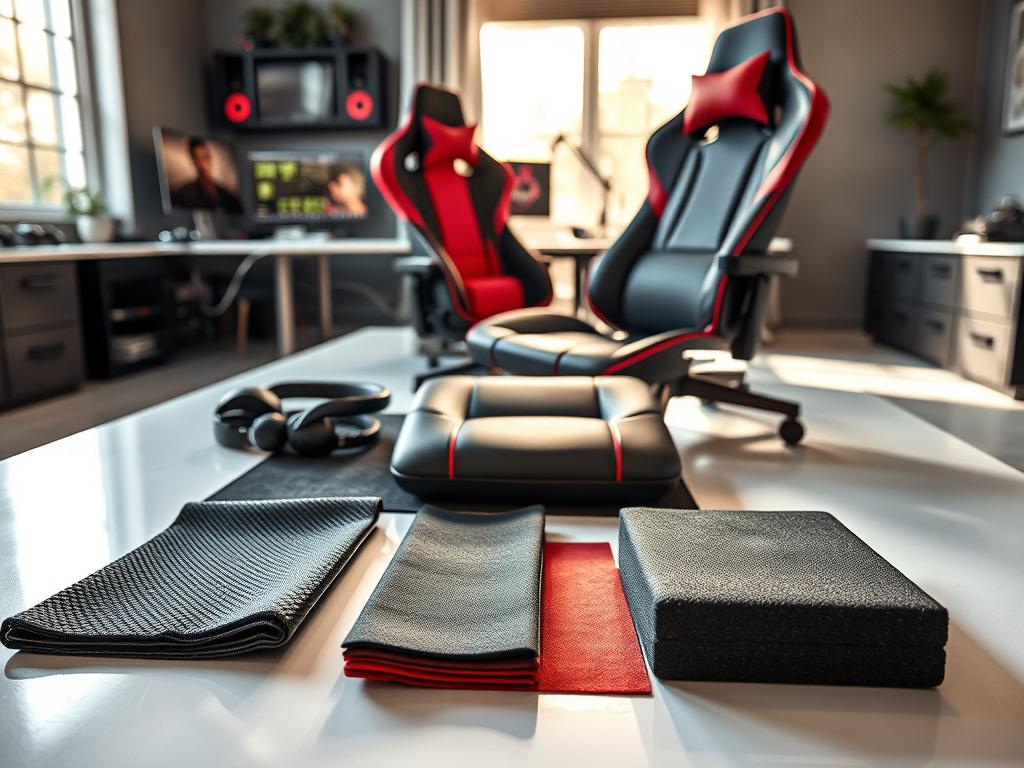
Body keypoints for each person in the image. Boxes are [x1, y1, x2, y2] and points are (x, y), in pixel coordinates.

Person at [172, 138, 243, 213]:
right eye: (197, 159)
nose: (202, 164)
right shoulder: (185, 194)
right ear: (193, 161)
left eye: (204, 158)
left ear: (210, 158)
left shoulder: (227, 196)